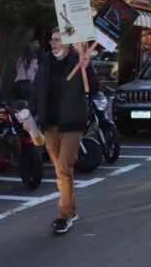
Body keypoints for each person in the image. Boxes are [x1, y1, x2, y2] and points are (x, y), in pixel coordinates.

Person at [29, 28, 99, 235]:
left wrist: (89, 68)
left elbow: (93, 89)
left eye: (58, 40)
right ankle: (72, 210)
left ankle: (63, 216)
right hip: (49, 125)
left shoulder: (80, 61)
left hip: (72, 124)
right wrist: (29, 113)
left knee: (63, 169)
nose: (54, 43)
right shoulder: (45, 63)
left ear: (69, 43)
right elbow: (36, 91)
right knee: (63, 171)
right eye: (52, 40)